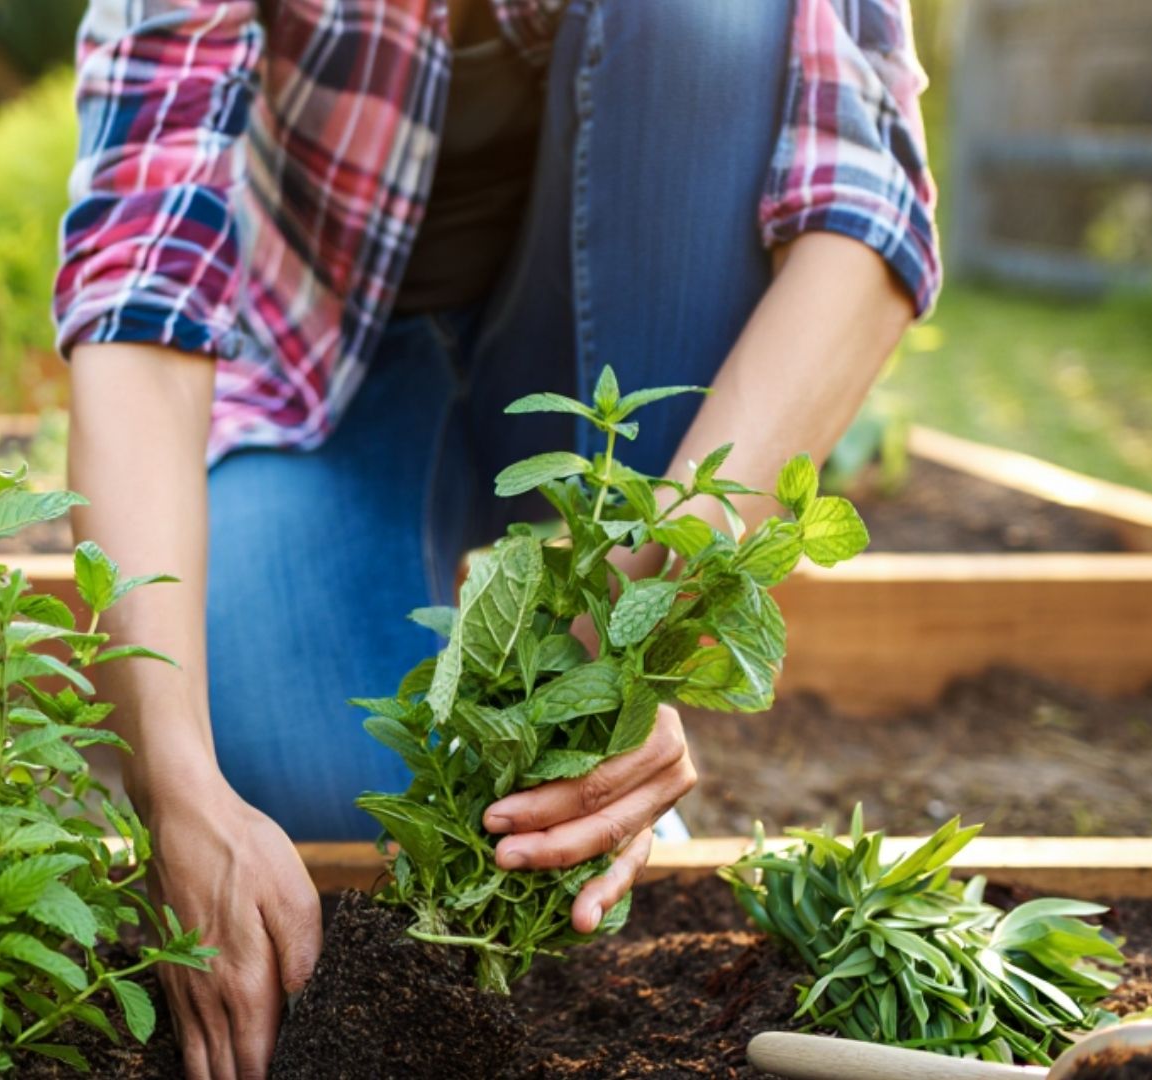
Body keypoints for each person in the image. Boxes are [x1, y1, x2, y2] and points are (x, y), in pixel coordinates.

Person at [55, 0, 936, 1076]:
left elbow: (866, 215)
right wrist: (175, 783)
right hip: (324, 370)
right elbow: (139, 289)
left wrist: (616, 656)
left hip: (607, 378)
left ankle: (598, 776)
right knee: (320, 800)